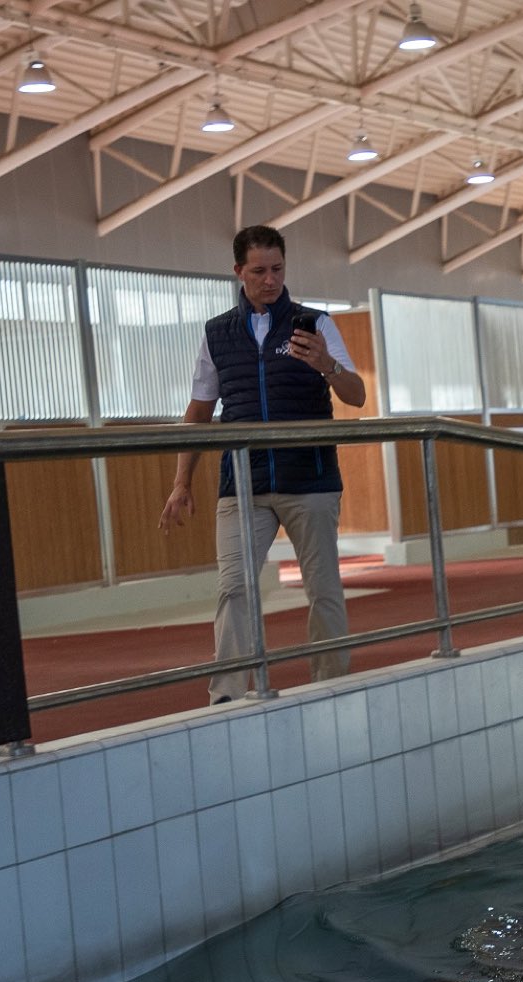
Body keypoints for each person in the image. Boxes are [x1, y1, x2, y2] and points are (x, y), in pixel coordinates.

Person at [159, 224, 366, 703]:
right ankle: (228, 694)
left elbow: (356, 396)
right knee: (233, 589)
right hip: (242, 486)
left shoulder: (315, 324)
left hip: (310, 480)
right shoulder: (217, 334)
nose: (270, 279)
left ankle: (331, 686)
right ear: (238, 271)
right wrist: (181, 482)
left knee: (324, 589)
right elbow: (198, 412)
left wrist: (328, 368)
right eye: (259, 271)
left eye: (277, 269)